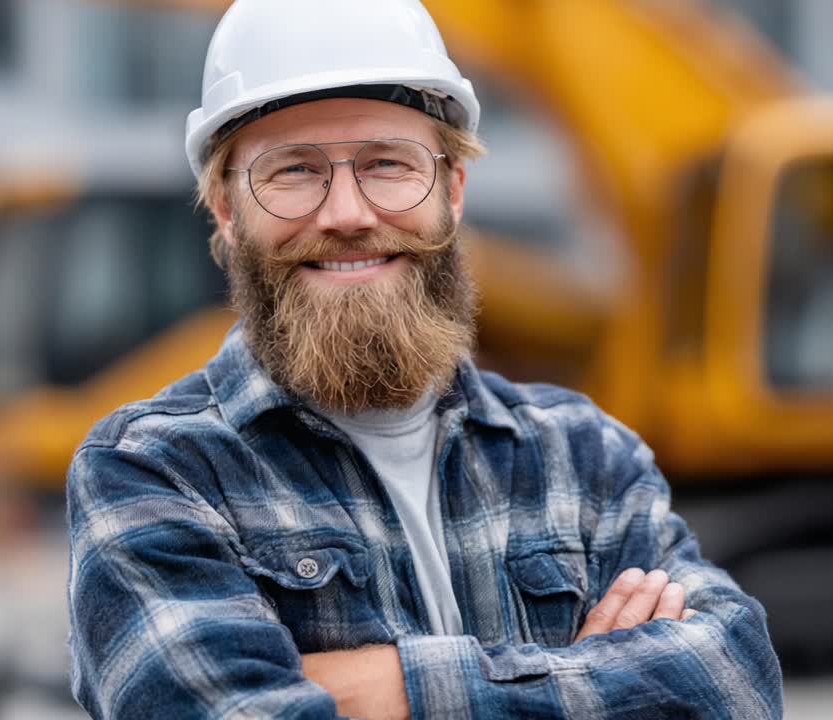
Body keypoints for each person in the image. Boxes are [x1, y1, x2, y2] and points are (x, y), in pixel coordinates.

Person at [65, 1, 782, 717]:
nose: (347, 212)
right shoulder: (154, 473)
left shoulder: (582, 457)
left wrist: (387, 688)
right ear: (226, 210)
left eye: (387, 163)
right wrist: (592, 675)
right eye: (291, 171)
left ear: (453, 189)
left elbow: (734, 684)